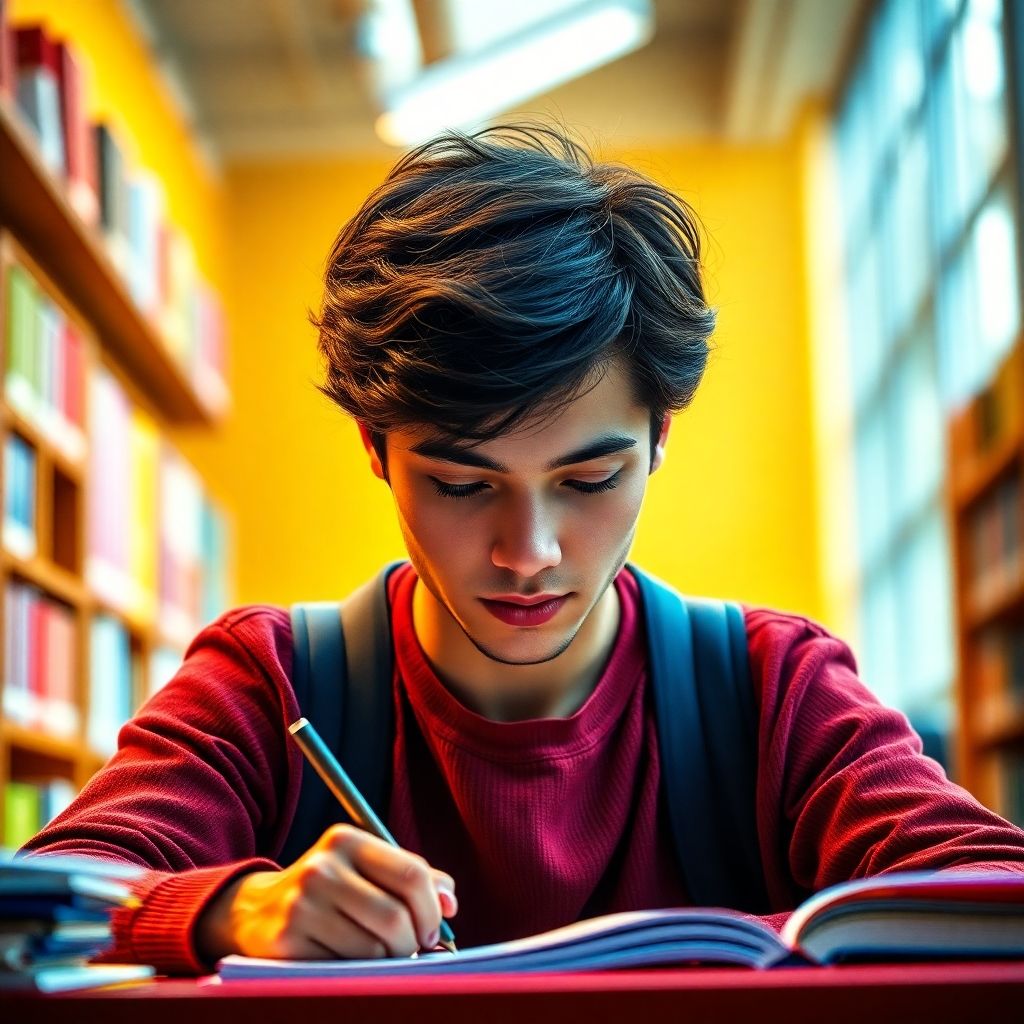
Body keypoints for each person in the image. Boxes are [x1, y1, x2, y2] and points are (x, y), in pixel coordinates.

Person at [22, 124, 1024, 975]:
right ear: (376, 448)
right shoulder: (267, 684)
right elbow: (40, 904)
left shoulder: (769, 689)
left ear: (659, 436)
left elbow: (991, 892)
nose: (528, 553)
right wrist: (224, 909)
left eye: (589, 481)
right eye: (462, 484)